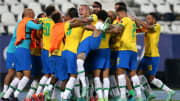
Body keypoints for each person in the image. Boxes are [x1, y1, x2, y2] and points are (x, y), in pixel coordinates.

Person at [130, 13, 176, 101]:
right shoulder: (146, 28)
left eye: (149, 19)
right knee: (138, 74)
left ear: (154, 20)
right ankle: (149, 93)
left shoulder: (157, 26)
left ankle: (170, 91)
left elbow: (146, 26)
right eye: (146, 19)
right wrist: (134, 23)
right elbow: (138, 29)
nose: (147, 20)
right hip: (146, 56)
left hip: (153, 57)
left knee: (151, 79)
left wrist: (136, 19)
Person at [2, 8, 42, 101]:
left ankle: (6, 96)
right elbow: (39, 27)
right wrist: (44, 22)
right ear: (27, 14)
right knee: (27, 75)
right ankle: (15, 95)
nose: (33, 13)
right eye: (32, 12)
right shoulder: (27, 21)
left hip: (18, 50)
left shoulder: (20, 22)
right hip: (24, 50)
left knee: (19, 75)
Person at [106, 7, 143, 101]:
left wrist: (104, 30)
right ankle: (139, 96)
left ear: (121, 12)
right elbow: (140, 27)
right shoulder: (132, 22)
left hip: (124, 49)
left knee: (120, 71)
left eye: (118, 14)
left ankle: (123, 96)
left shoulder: (125, 20)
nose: (118, 16)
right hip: (133, 50)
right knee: (132, 73)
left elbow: (117, 30)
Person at [60, 8, 87, 101]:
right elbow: (84, 24)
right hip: (72, 52)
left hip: (64, 51)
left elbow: (74, 23)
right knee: (73, 76)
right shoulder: (81, 25)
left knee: (66, 77)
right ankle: (65, 97)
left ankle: (68, 96)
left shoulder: (66, 24)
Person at [32, 5, 56, 100]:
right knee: (53, 74)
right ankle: (46, 93)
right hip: (51, 51)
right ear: (53, 12)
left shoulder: (43, 20)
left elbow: (35, 20)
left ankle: (37, 94)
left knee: (46, 74)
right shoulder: (53, 22)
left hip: (44, 51)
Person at [89, 10, 111, 101]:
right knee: (106, 75)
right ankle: (105, 97)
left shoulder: (97, 24)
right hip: (107, 50)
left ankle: (100, 97)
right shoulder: (109, 26)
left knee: (96, 76)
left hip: (99, 50)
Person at [24, 13, 46, 101]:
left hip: (37, 53)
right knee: (40, 77)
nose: (45, 19)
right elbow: (40, 39)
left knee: (40, 77)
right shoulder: (38, 27)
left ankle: (31, 97)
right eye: (44, 18)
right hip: (37, 53)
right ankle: (32, 96)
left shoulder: (37, 26)